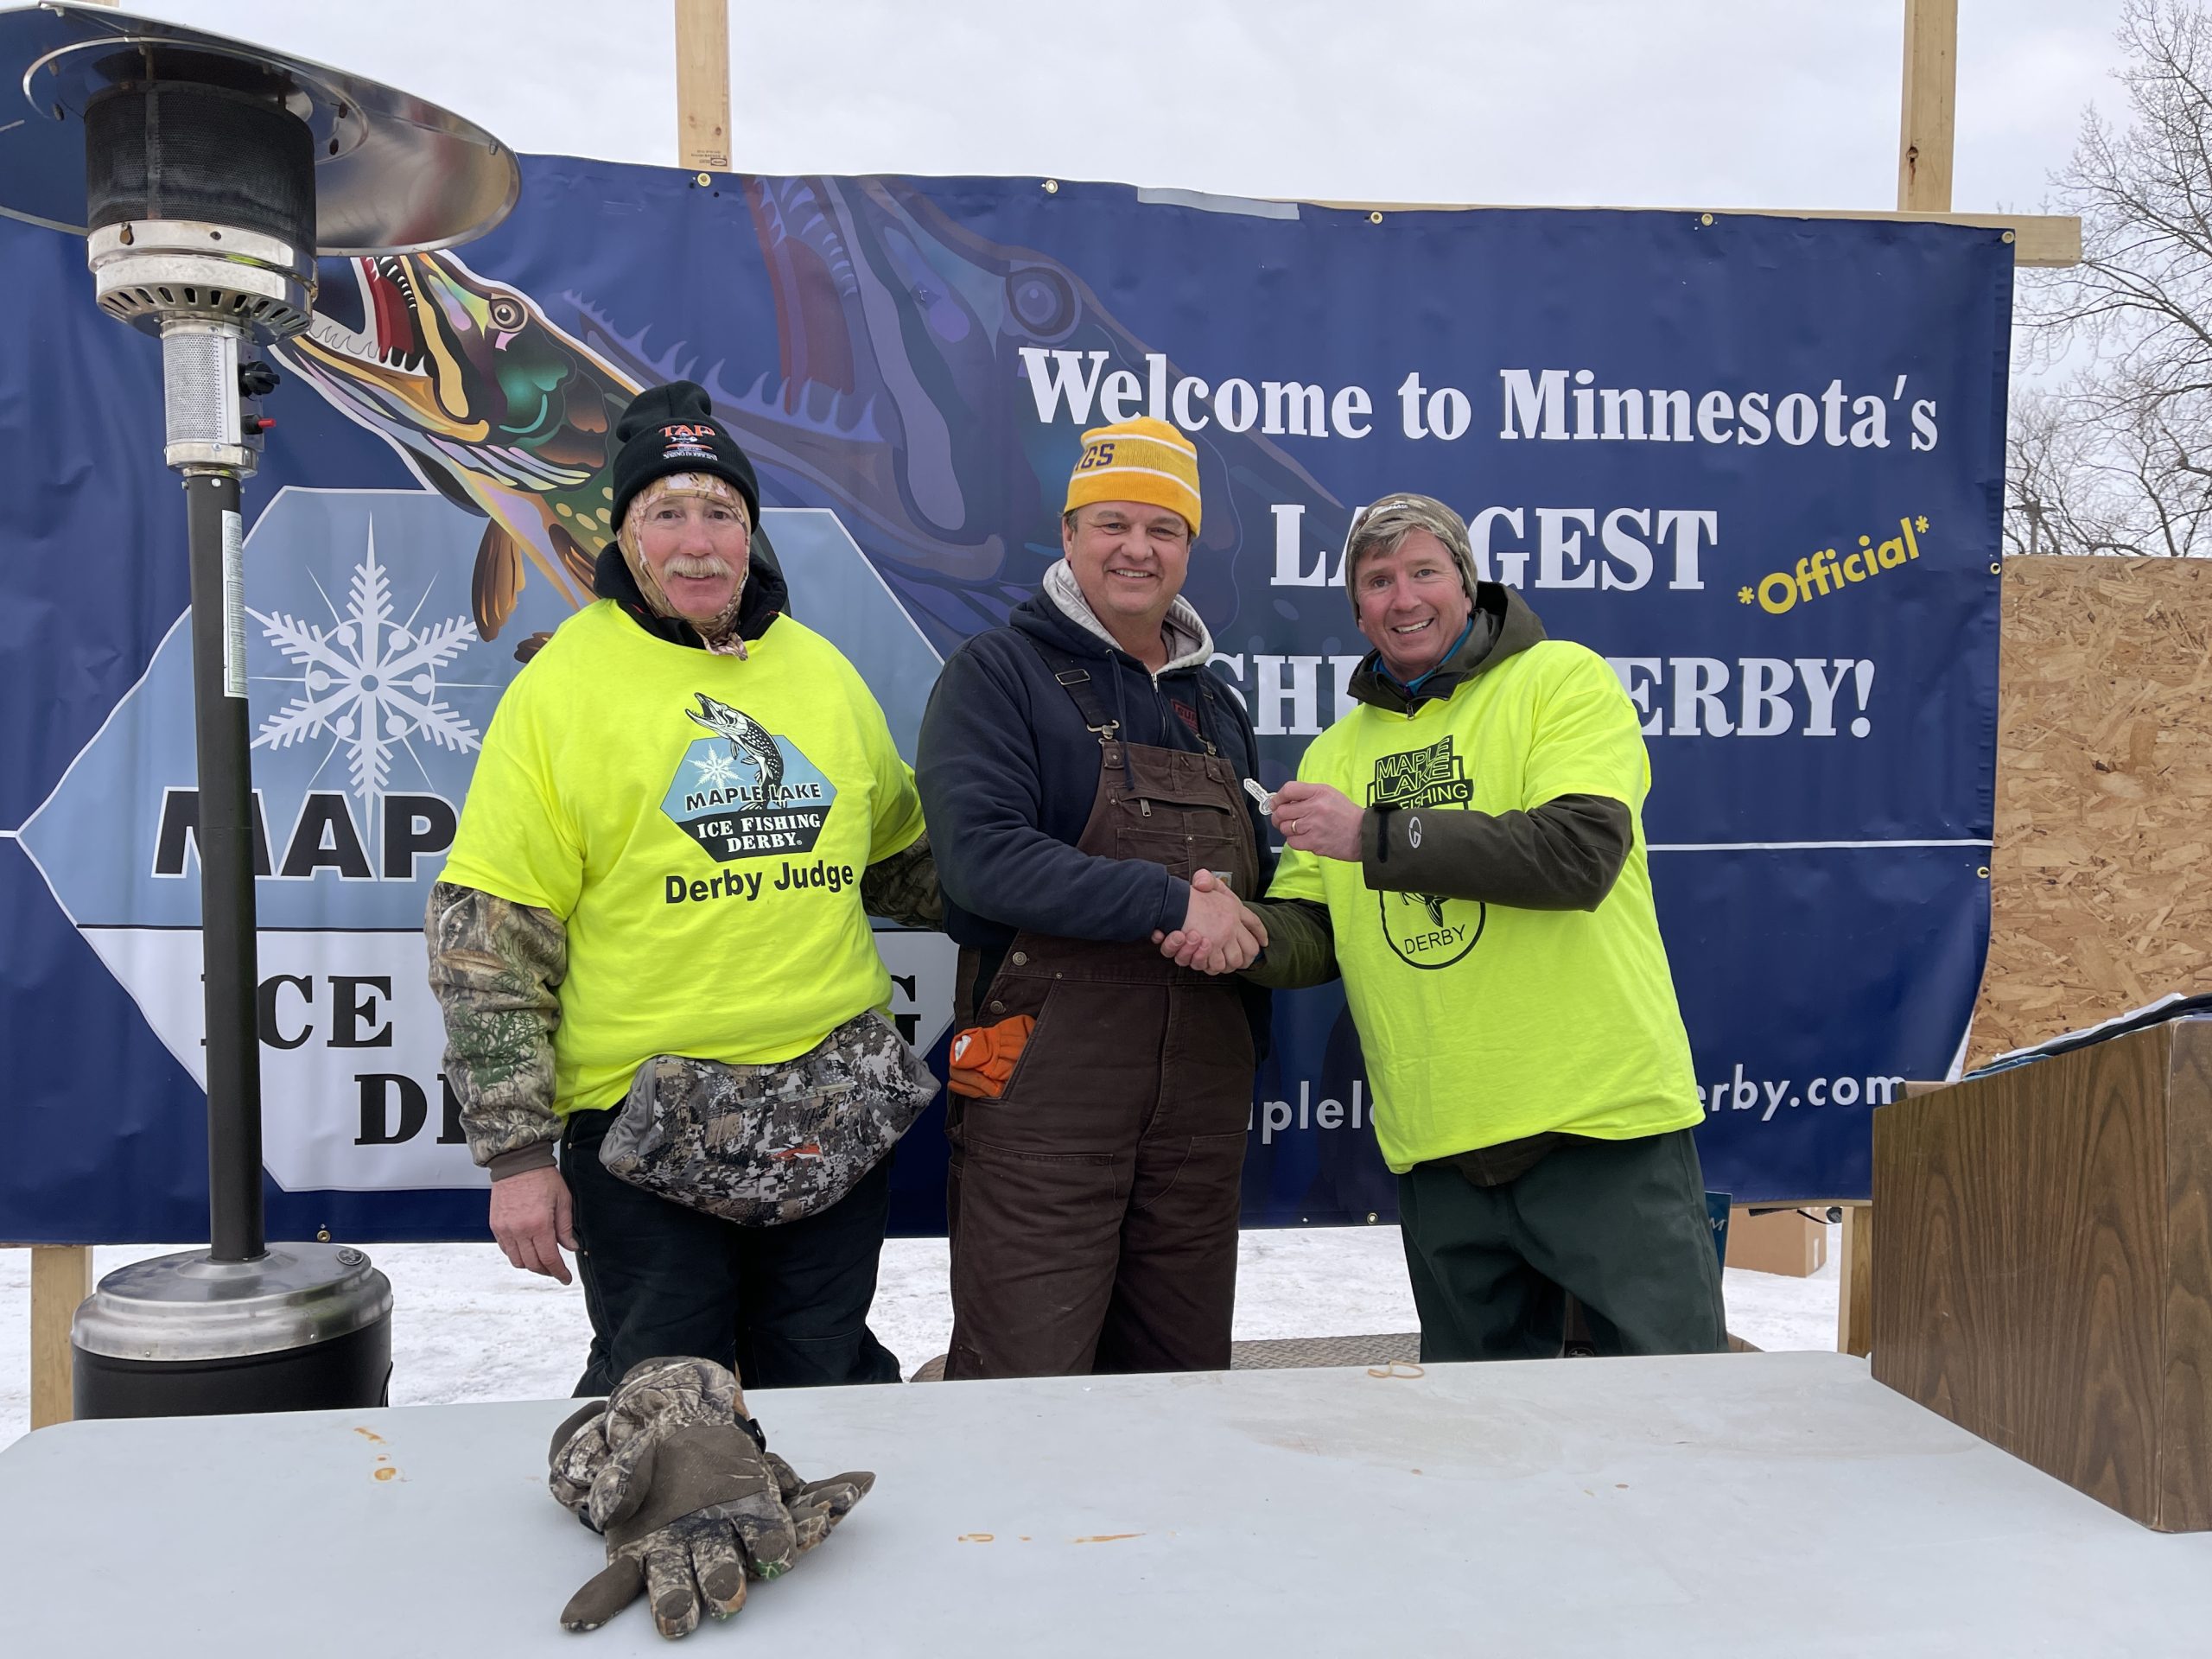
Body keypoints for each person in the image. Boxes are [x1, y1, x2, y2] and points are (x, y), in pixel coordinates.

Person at [426, 380, 942, 1395]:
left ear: (752, 537)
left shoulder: (821, 673)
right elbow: (487, 940)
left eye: (723, 513)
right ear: (624, 536)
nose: (698, 542)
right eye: (668, 514)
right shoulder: (562, 690)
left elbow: (909, 862)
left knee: (824, 1381)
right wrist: (517, 1155)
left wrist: (1087, 891)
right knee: (665, 1398)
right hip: (646, 1136)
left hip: (829, 1116)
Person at [1220, 492, 1726, 1361]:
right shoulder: (1335, 755)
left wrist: (1370, 832)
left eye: (1424, 570)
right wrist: (1242, 934)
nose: (1403, 597)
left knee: (1670, 1420)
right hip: (1443, 1147)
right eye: (1378, 580)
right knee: (1479, 1446)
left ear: (1467, 579)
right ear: (1355, 608)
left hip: (1600, 1129)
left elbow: (1578, 856)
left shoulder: (1560, 679)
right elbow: (1316, 928)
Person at [916, 416, 1272, 1378]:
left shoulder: (1217, 705)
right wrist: (1167, 903)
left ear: (1189, 550)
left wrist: (1262, 925)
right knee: (1022, 1385)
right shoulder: (997, 676)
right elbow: (982, 862)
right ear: (1069, 535)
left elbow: (1250, 893)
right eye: (1111, 522)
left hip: (1196, 1109)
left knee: (1177, 1384)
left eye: (1163, 529)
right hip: (1037, 1102)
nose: (1136, 548)